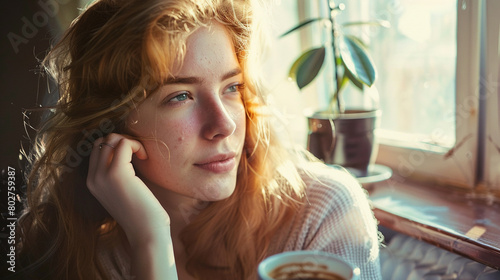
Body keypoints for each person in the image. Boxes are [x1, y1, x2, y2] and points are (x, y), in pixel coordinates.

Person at [15, 0, 382, 279]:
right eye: (180, 96)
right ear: (111, 123)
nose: (223, 125)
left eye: (232, 87)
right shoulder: (85, 253)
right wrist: (151, 242)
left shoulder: (324, 214)